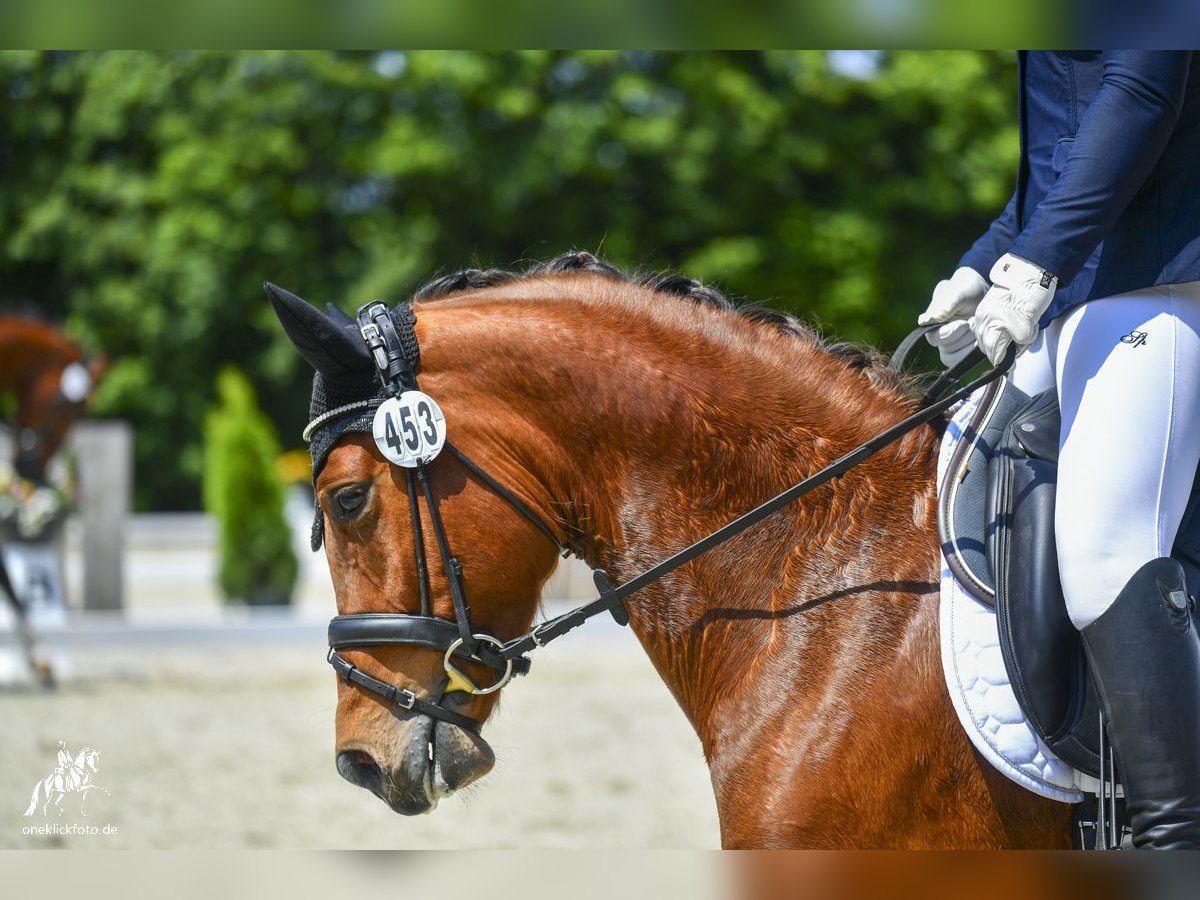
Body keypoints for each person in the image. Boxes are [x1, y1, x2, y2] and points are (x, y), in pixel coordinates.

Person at [919, 52, 1200, 849]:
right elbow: (1068, 148)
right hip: (1083, 286)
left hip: (1168, 274)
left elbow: (1143, 95)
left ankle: (1175, 842)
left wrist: (1040, 258)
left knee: (1107, 549)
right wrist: (985, 263)